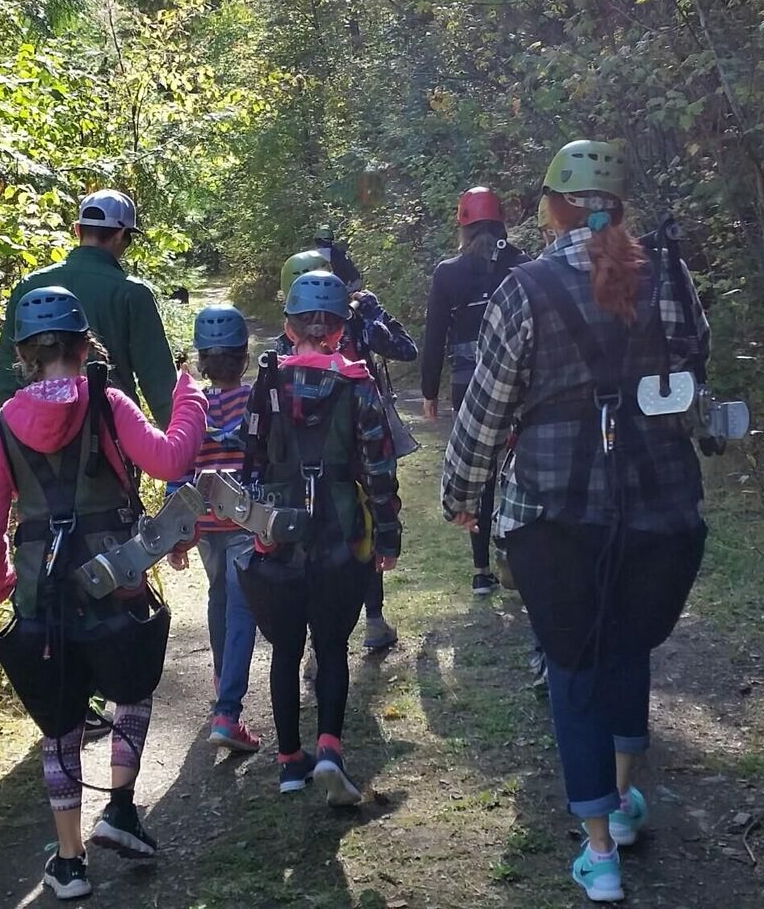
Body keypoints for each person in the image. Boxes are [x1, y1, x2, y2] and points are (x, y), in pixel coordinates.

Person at [440, 140, 711, 904]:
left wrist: (460, 491)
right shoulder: (668, 275)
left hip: (554, 514)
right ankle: (621, 802)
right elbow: (695, 371)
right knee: (627, 645)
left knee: (573, 663)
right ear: (620, 205)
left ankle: (599, 852)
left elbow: (487, 411)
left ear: (553, 208)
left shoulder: (523, 290)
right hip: (657, 505)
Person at [0, 287, 207, 900]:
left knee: (61, 724)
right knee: (132, 691)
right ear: (83, 345)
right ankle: (121, 810)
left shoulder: (1, 426)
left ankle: (70, 862)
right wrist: (188, 398)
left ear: (25, 354)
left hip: (42, 598)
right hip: (116, 582)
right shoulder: (107, 402)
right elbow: (169, 458)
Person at [237, 270, 401, 806]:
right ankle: (329, 748)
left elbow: (250, 457)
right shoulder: (358, 384)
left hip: (279, 537)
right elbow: (380, 467)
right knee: (331, 648)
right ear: (339, 329)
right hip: (341, 534)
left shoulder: (268, 381)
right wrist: (387, 538)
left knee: (285, 649)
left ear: (289, 326)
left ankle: (289, 761)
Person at [273, 252, 416, 652]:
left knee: (307, 546)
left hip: (302, 468)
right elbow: (406, 349)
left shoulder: (282, 353)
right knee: (365, 525)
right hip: (361, 443)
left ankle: (315, 639)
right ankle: (372, 618)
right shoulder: (357, 326)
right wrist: (374, 311)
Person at [420, 187, 528, 595]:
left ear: (463, 226)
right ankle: (515, 555)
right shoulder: (524, 265)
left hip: (469, 382)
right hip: (520, 380)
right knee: (521, 467)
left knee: (479, 469)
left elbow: (435, 336)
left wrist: (429, 389)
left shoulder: (448, 273)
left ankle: (481, 569)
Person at [167, 304, 264, 754]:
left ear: (202, 359)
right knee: (242, 606)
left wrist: (177, 533)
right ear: (244, 357)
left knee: (218, 596)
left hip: (205, 524)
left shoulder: (191, 406)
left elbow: (177, 466)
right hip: (245, 520)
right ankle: (227, 712)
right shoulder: (257, 399)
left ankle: (223, 677)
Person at [0, 190, 177, 426]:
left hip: (38, 431)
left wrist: (11, 430)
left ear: (77, 229)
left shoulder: (29, 286)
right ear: (120, 235)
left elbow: (8, 369)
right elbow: (158, 379)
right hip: (114, 430)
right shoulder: (132, 293)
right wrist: (179, 437)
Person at [313, 224, 363, 292]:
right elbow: (356, 279)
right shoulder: (340, 253)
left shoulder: (312, 256)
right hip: (340, 291)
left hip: (321, 292)